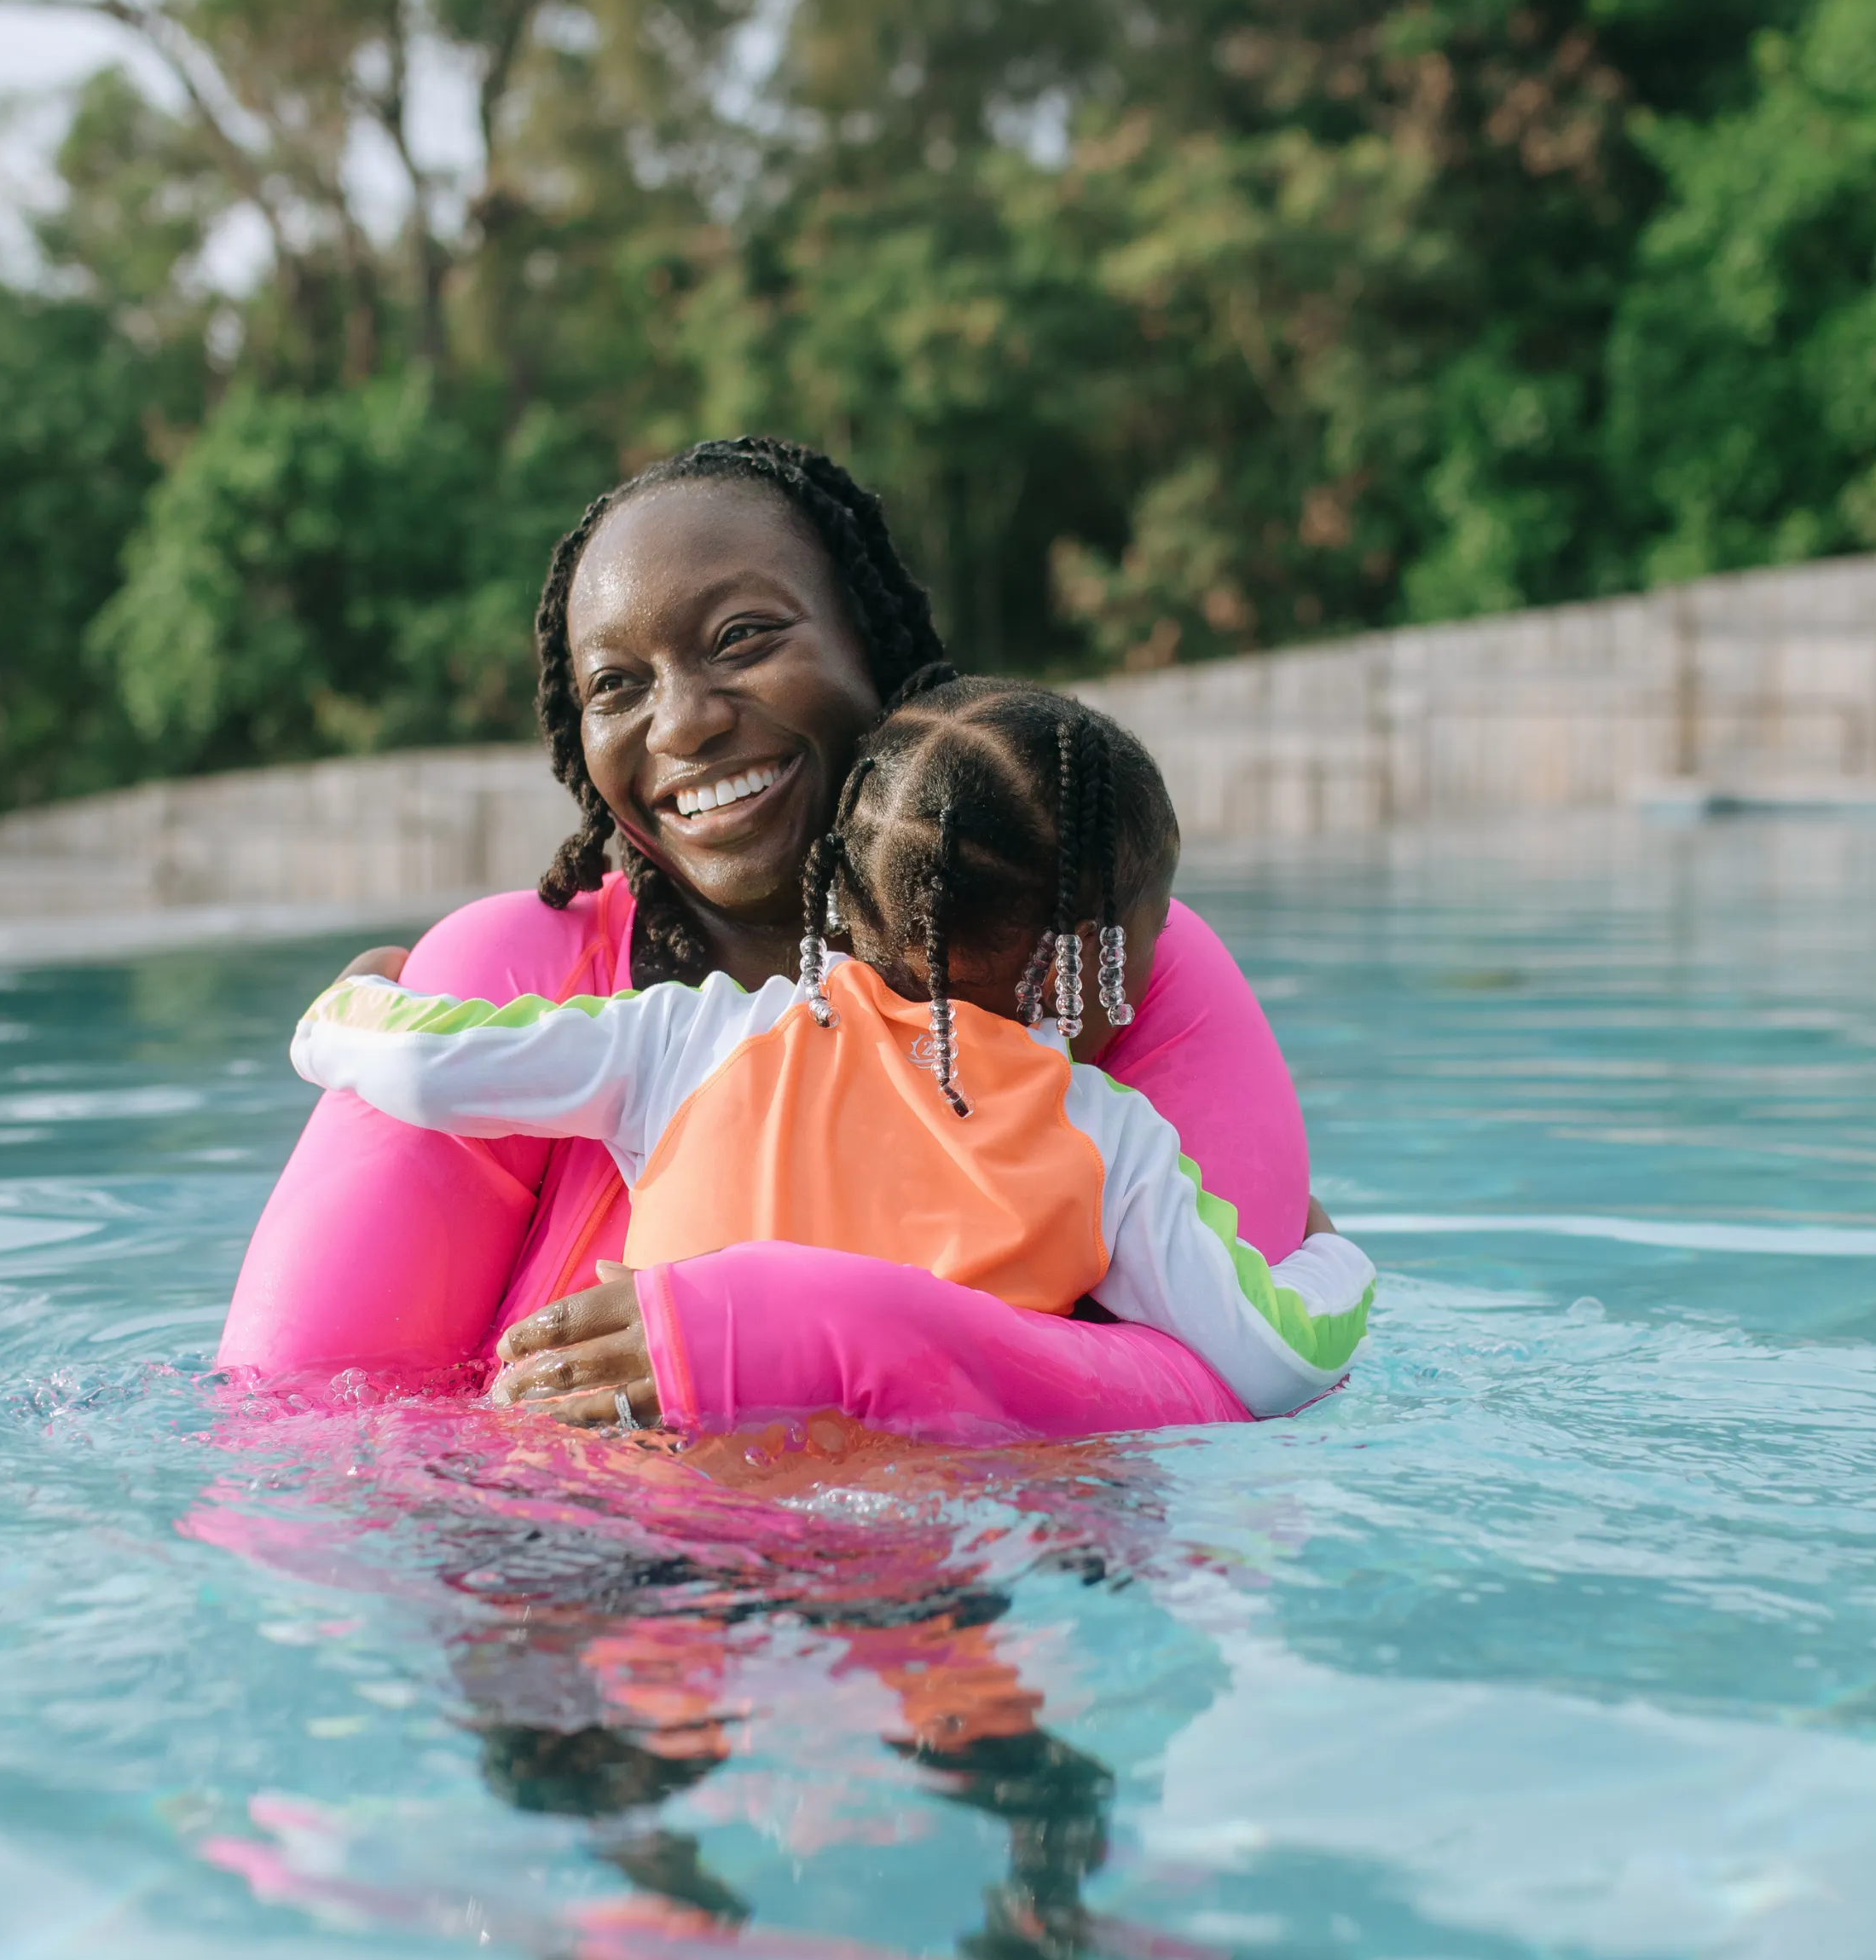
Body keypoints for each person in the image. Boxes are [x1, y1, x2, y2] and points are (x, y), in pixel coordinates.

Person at [218, 436, 1338, 1439]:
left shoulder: (1113, 962)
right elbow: (296, 1441)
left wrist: (822, 1333)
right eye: (618, 684)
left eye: (742, 638)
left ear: (874, 642)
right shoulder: (524, 972)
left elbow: (1226, 1420)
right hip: (577, 1606)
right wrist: (1331, 1264)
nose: (688, 720)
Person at [291, 678, 1375, 1419]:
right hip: (933, 1534)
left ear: (841, 900)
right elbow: (1271, 1359)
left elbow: (432, 1068)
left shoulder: (695, 1038)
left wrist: (353, 1007)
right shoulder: (1109, 1142)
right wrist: (1332, 1256)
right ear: (1094, 964)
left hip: (652, 1496)